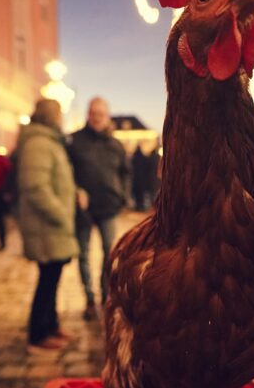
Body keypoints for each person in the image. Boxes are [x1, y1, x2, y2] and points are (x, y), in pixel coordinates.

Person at [15, 99, 79, 355]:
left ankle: (51, 326)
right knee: (47, 280)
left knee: (53, 278)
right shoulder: (38, 144)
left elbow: (58, 181)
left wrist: (75, 193)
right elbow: (36, 188)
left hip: (53, 226)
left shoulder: (49, 142)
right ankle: (38, 334)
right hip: (47, 226)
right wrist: (62, 215)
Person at [68, 97, 129, 320]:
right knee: (83, 254)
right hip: (82, 210)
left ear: (107, 116)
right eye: (94, 113)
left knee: (109, 254)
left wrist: (123, 195)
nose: (97, 117)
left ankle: (106, 297)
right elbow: (66, 173)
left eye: (101, 113)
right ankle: (89, 300)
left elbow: (125, 173)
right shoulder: (74, 141)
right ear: (88, 114)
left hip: (109, 206)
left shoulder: (115, 145)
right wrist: (75, 190)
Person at [130, 142, 159, 211]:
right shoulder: (149, 158)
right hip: (152, 179)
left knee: (139, 194)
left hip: (137, 178)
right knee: (152, 193)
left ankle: (139, 206)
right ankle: (153, 206)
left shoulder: (134, 157)